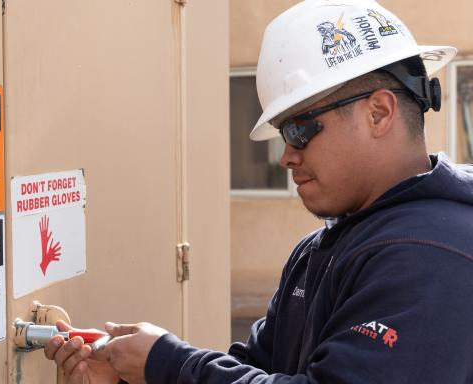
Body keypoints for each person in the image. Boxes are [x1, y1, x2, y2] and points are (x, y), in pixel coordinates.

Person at [45, 0, 473, 382]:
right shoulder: (324, 248)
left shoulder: (434, 256)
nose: (286, 155)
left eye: (300, 129)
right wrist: (132, 374)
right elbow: (256, 370)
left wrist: (169, 364)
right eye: (281, 133)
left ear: (379, 113)